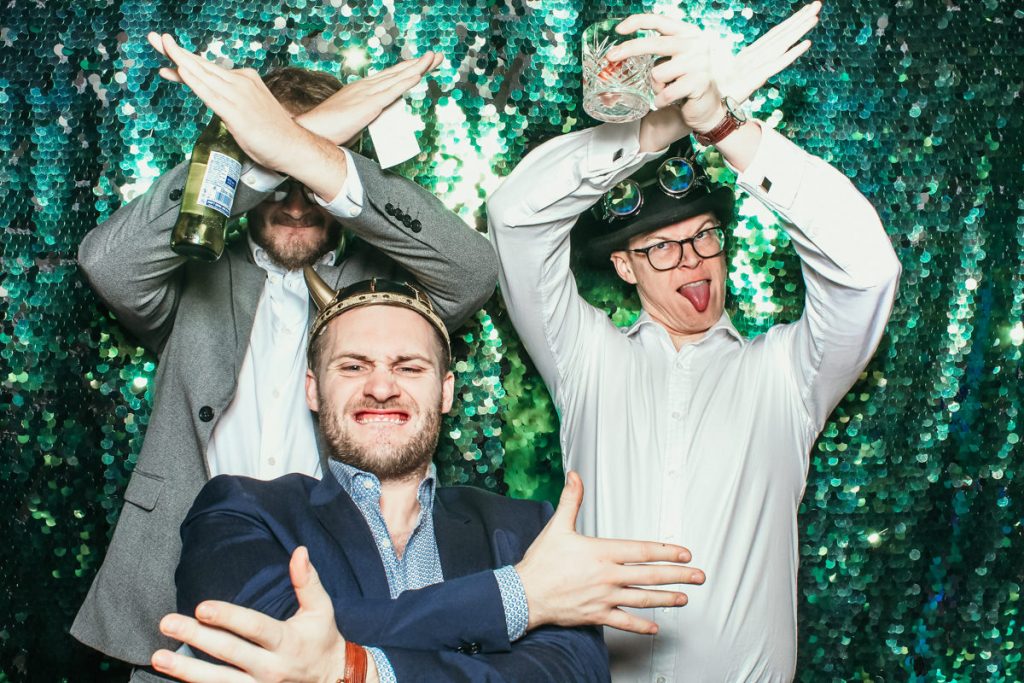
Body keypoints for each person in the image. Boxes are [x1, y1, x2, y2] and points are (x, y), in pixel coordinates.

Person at [488, 3, 902, 680]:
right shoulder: (589, 359)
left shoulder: (785, 374)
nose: (692, 260)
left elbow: (868, 271)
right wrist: (659, 126)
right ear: (622, 265)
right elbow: (514, 217)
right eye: (661, 247)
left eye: (705, 235)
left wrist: (725, 126)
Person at [72, 33, 499, 674]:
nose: (296, 201)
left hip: (341, 601)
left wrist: (305, 149)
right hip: (179, 601)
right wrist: (265, 156)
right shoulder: (193, 274)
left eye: (309, 176)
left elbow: (473, 271)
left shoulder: (391, 286)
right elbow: (106, 261)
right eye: (277, 180)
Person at [146, 275, 706, 682]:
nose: (382, 387)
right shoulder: (242, 508)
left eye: (409, 367)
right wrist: (518, 597)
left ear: (446, 392)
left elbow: (567, 676)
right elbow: (258, 637)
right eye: (354, 366)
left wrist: (353, 667)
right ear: (314, 390)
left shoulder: (530, 528)